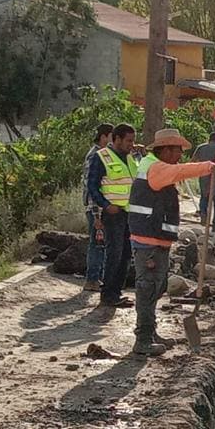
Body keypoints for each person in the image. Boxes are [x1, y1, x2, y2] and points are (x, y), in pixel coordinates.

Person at [128, 128, 215, 356]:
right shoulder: (156, 168)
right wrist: (209, 167)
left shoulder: (156, 166)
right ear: (166, 149)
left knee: (157, 287)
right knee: (148, 288)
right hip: (148, 240)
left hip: (156, 239)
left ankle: (150, 332)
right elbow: (181, 171)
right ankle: (142, 339)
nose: (180, 155)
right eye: (177, 150)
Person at [88, 124, 139, 310]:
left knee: (125, 254)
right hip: (114, 214)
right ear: (116, 139)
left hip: (129, 213)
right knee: (114, 253)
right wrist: (105, 205)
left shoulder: (132, 159)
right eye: (129, 140)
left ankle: (116, 292)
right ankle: (108, 294)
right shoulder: (101, 157)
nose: (131, 144)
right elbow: (92, 186)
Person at [82, 123, 114, 291]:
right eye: (111, 137)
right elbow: (92, 186)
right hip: (96, 209)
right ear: (103, 137)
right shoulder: (95, 155)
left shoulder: (103, 154)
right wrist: (96, 215)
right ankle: (92, 279)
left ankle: (96, 279)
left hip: (100, 208)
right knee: (97, 243)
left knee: (100, 243)